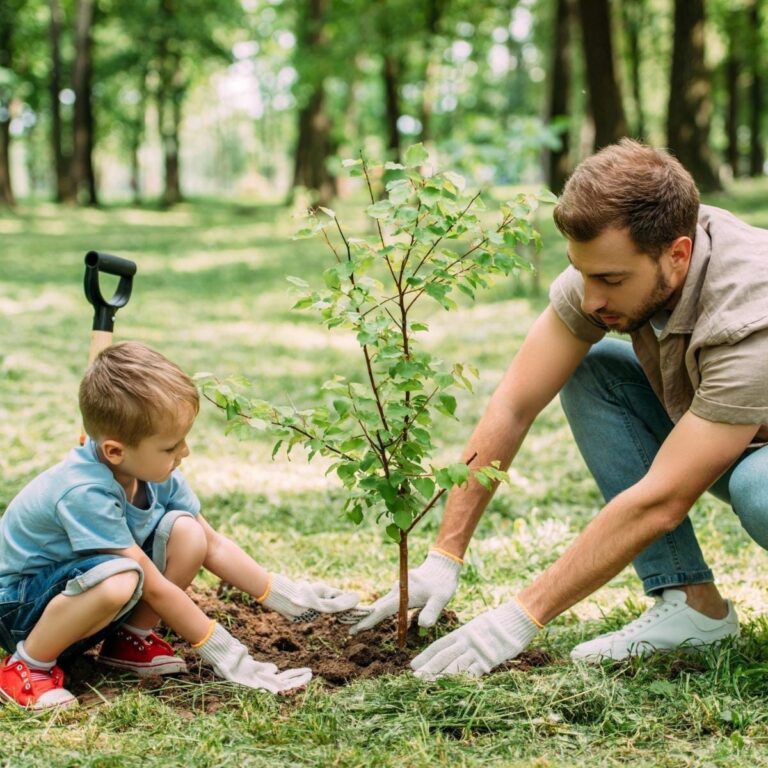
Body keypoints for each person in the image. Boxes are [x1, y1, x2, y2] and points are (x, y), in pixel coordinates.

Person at [351, 139, 768, 678]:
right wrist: (443, 555)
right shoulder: (616, 264)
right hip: (736, 427)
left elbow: (661, 500)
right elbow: (515, 403)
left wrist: (519, 618)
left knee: (758, 490)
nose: (591, 297)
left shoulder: (749, 316)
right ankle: (692, 607)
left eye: (611, 280)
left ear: (678, 254)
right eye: (583, 272)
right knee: (595, 372)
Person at [0, 342, 361, 709]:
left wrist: (285, 596)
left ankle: (129, 639)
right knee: (121, 578)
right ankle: (27, 666)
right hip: (21, 608)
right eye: (171, 446)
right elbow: (153, 586)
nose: (184, 452)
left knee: (187, 533)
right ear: (114, 451)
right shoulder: (84, 491)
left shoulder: (151, 471)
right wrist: (228, 654)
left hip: (75, 595)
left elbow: (212, 544)